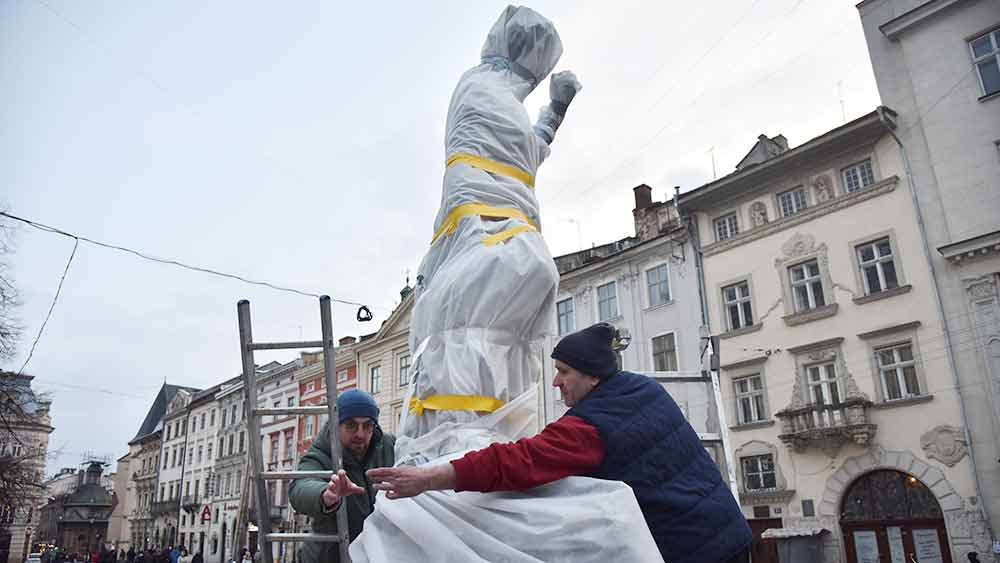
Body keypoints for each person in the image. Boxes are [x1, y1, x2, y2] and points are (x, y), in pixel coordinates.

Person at [368, 322, 753, 563]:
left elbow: (519, 461)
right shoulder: (643, 389)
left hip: (694, 550)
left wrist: (429, 478)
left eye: (564, 372)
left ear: (593, 377)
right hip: (726, 529)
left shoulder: (591, 427)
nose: (556, 382)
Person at [288, 389, 395, 563]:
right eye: (351, 425)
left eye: (367, 425)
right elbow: (300, 487)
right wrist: (326, 495)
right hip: (328, 557)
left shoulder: (388, 446)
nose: (360, 433)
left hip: (377, 555)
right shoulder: (320, 453)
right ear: (335, 425)